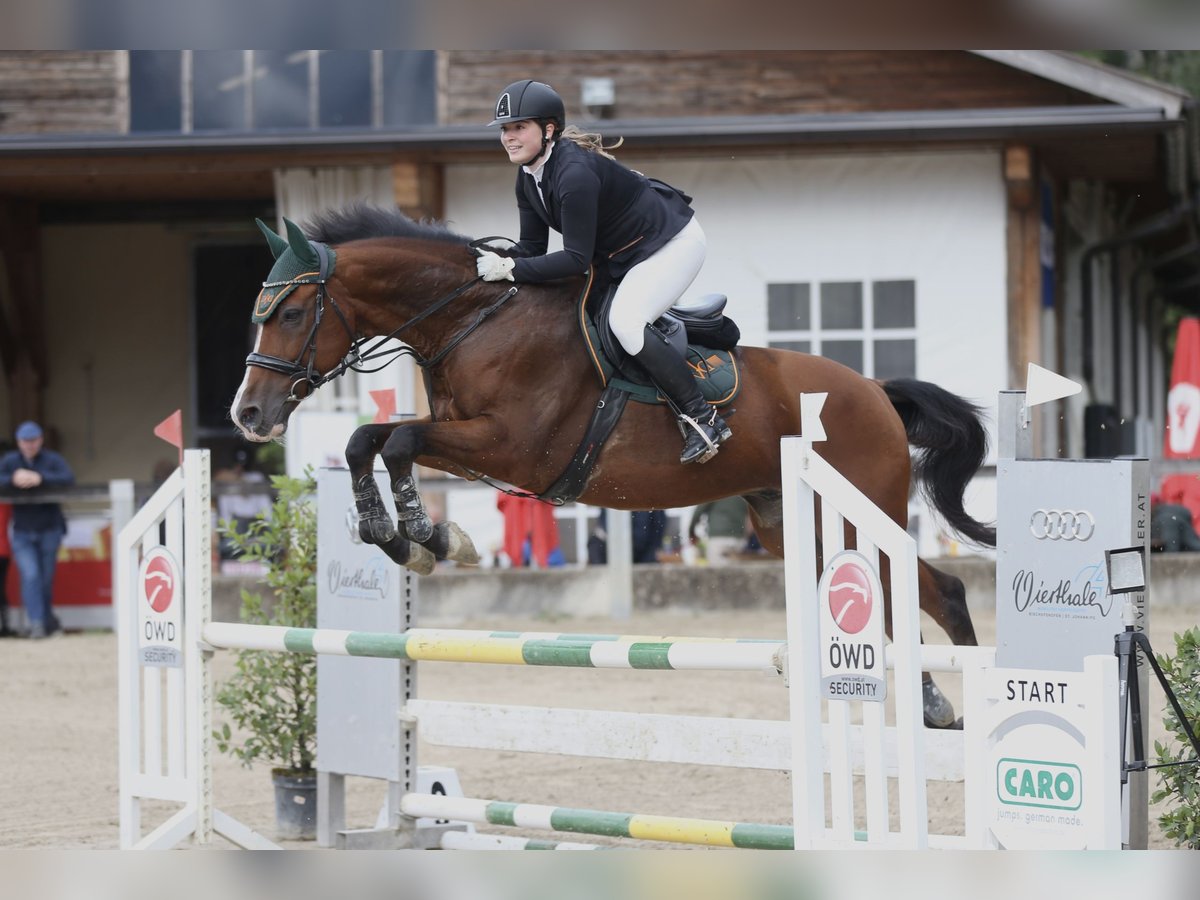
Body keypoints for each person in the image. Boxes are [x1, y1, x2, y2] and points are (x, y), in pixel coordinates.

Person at [477, 79, 731, 466]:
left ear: (548, 130)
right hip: (624, 253)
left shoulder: (573, 175)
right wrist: (489, 259)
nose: (508, 137)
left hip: (671, 243)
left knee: (626, 323)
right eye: (504, 129)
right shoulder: (528, 176)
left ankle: (702, 417)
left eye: (519, 127)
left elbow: (575, 259)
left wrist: (511, 269)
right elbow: (532, 250)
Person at [0, 421, 75, 638]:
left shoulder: (53, 460)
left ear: (40, 440)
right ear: (19, 442)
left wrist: (41, 478)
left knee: (45, 578)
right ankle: (37, 624)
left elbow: (69, 478)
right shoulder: (10, 461)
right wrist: (13, 479)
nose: (30, 445)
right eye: (25, 441)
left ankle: (45, 620)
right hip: (22, 530)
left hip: (50, 528)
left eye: (33, 441)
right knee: (31, 575)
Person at [689, 496, 749, 567]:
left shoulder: (716, 490)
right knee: (735, 570)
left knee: (717, 572)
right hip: (739, 538)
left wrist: (691, 532)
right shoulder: (743, 491)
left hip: (718, 538)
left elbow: (698, 512)